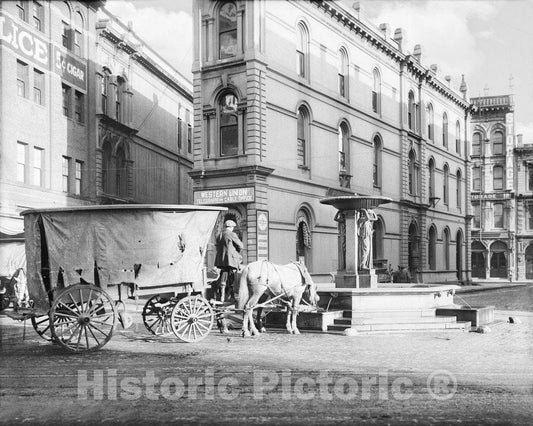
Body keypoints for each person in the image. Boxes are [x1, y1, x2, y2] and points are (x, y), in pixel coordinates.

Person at [214, 219, 243, 302]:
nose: (233, 228)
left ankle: (224, 296)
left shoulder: (220, 234)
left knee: (225, 274)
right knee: (231, 275)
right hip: (230, 259)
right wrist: (236, 252)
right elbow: (241, 245)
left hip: (221, 259)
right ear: (230, 227)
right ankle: (229, 296)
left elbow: (217, 246)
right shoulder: (231, 234)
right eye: (233, 227)